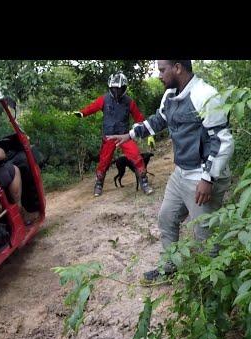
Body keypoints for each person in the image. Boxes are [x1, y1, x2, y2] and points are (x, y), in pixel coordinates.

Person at [107, 60, 234, 282]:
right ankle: (169, 267)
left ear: (178, 68)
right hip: (181, 173)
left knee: (205, 234)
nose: (159, 75)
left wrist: (208, 177)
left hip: (203, 176)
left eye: (162, 70)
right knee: (167, 217)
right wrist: (131, 134)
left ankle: (211, 285)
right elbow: (159, 120)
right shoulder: (171, 95)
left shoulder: (205, 95)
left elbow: (223, 142)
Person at [73, 73, 155, 197]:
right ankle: (99, 184)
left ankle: (144, 183)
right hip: (109, 136)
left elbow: (139, 118)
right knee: (104, 161)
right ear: (110, 87)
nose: (116, 91)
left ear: (124, 88)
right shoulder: (104, 99)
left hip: (124, 136)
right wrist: (82, 113)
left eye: (119, 88)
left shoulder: (129, 102)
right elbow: (92, 107)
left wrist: (148, 133)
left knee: (136, 157)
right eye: (114, 88)